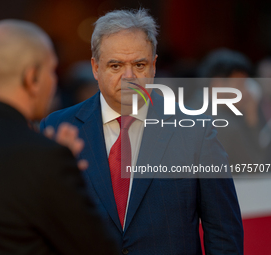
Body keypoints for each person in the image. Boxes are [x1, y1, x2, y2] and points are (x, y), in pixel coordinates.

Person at [42, 9, 243, 254]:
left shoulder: (195, 131)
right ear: (95, 68)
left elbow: (223, 233)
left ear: (154, 66)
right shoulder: (57, 128)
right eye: (115, 65)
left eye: (139, 64)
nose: (129, 77)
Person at [0, 20, 118, 255]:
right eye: (51, 71)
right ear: (32, 78)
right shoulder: (46, 159)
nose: (54, 81)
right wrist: (66, 171)